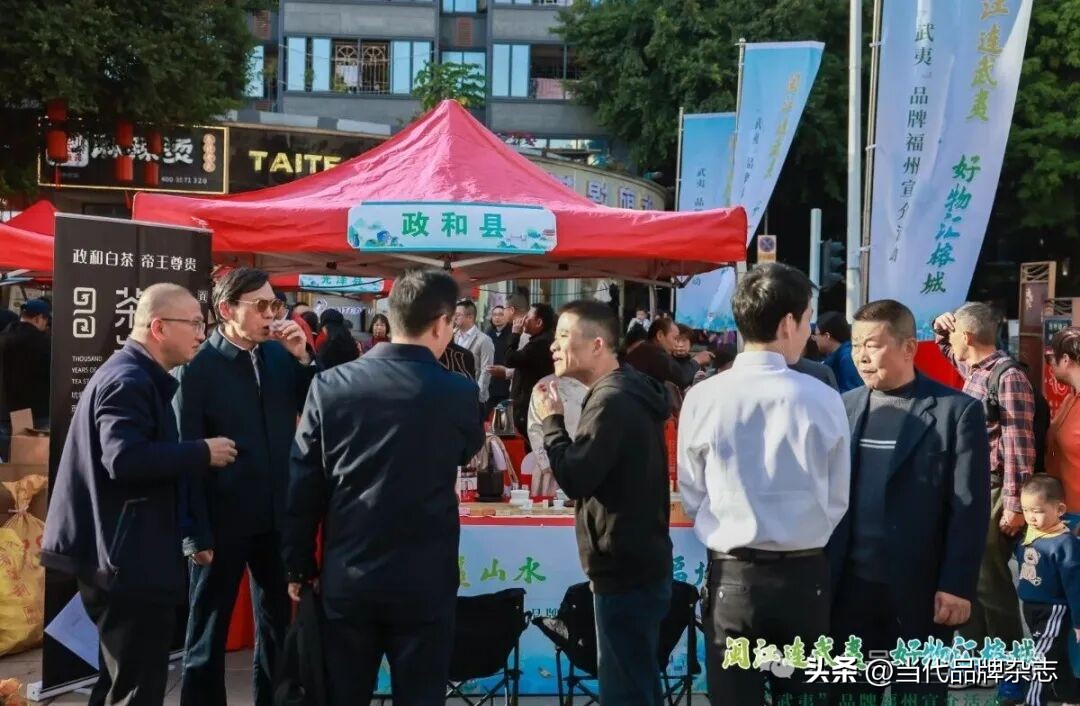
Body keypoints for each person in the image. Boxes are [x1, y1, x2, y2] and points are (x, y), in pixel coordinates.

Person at [284, 269, 484, 706]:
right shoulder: (458, 392)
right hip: (424, 579)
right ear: (441, 323)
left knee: (342, 694)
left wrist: (298, 565)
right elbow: (467, 450)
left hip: (349, 574)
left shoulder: (330, 385)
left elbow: (303, 483)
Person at [41, 285, 237, 706]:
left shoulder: (139, 375)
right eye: (194, 324)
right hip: (126, 559)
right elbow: (124, 458)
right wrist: (202, 451)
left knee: (122, 680)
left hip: (126, 551)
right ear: (159, 327)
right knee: (136, 687)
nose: (201, 334)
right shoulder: (128, 380)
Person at [677, 263, 850, 706]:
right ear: (788, 323)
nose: (809, 332)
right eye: (808, 320)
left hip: (734, 577)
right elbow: (837, 497)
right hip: (805, 576)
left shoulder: (703, 396)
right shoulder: (823, 398)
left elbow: (692, 493)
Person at [827, 299, 990, 705]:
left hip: (922, 592)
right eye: (855, 345)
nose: (862, 356)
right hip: (850, 590)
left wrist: (957, 585)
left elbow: (969, 507)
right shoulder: (842, 407)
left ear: (908, 348)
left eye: (873, 345)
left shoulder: (957, 412)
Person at [175, 268, 316, 706]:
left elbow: (316, 408)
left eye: (276, 305)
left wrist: (304, 359)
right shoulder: (197, 367)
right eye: (261, 306)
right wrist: (194, 532)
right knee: (208, 627)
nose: (271, 315)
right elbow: (184, 453)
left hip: (275, 512)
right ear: (226, 309)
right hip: (222, 515)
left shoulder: (278, 356)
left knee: (278, 624)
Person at [534, 300, 673, 705]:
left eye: (563, 336)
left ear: (597, 344)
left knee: (625, 690)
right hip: (637, 563)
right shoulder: (627, 390)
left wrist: (552, 422)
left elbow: (576, 476)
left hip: (624, 567)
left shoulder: (613, 399)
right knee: (638, 683)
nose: (553, 346)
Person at [934, 302, 1035, 667]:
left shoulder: (1007, 377)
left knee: (991, 581)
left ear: (968, 336)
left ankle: (1011, 663)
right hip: (976, 487)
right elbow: (948, 350)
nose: (950, 342)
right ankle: (976, 658)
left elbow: (1019, 444)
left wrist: (1015, 504)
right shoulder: (977, 369)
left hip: (996, 489)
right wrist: (940, 326)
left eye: (954, 335)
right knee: (972, 576)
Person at [1011, 475, 1080, 706]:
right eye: (1025, 510)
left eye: (1037, 511)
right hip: (1031, 607)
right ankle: (1072, 696)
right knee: (1055, 657)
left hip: (1054, 610)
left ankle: (1033, 701)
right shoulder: (1030, 536)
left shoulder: (1065, 543)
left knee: (1040, 658)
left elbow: (1075, 585)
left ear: (1059, 509)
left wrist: (1078, 622)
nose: (1030, 516)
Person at [490, 303, 556, 444]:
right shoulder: (540, 340)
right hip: (528, 401)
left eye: (528, 317)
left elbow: (510, 359)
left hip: (529, 404)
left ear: (539, 322)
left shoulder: (539, 344)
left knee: (528, 443)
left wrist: (515, 334)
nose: (523, 321)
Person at [0, 298, 52, 460]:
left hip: (4, 411)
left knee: (8, 461)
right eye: (46, 319)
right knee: (33, 463)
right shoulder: (45, 343)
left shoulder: (3, 338)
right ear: (38, 318)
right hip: (36, 412)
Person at [526, 373, 587, 497]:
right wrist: (548, 463)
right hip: (552, 466)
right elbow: (534, 429)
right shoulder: (543, 386)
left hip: (585, 464)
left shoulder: (597, 385)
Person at [1046, 327, 1080, 520]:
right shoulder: (1070, 399)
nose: (1050, 364)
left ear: (1065, 360)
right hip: (1060, 511)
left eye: (1050, 358)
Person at [625, 317, 711, 390]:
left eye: (684, 340)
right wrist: (697, 360)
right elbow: (681, 377)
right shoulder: (655, 354)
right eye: (675, 338)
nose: (677, 344)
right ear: (660, 336)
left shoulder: (648, 350)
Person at [453, 299, 495, 406]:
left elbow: (486, 370)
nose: (455, 318)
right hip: (454, 393)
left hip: (473, 395)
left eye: (458, 315)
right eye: (454, 314)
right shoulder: (452, 336)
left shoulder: (484, 340)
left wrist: (478, 395)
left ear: (470, 317)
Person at [814, 311, 863, 392]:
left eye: (816, 334)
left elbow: (851, 393)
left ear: (827, 336)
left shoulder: (847, 358)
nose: (815, 339)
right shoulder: (839, 355)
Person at [484, 305, 513, 414]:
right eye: (494, 315)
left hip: (506, 379)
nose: (497, 317)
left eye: (501, 314)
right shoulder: (488, 333)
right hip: (490, 381)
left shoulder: (513, 332)